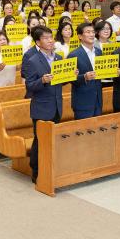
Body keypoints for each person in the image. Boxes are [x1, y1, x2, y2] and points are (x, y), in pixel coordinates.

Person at [21, 27, 68, 184]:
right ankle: (37, 172)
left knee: (53, 141)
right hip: (41, 107)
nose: (50, 40)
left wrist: (70, 75)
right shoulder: (32, 60)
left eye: (51, 37)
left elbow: (60, 81)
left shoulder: (59, 58)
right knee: (40, 141)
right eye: (46, 38)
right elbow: (30, 86)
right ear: (38, 42)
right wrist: (42, 81)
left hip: (56, 105)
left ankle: (51, 169)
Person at [69, 22, 104, 118]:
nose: (92, 34)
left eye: (93, 32)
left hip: (98, 100)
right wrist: (84, 77)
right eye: (88, 32)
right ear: (80, 36)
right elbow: (70, 79)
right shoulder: (73, 55)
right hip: (82, 102)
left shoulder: (99, 52)